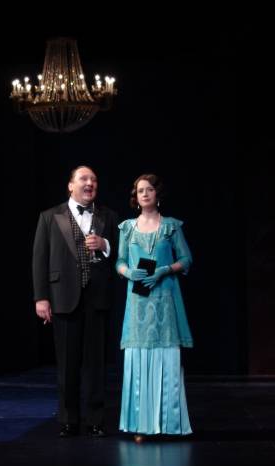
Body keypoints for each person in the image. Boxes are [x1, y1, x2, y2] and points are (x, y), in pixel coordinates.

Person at [32, 165, 119, 437]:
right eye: (83, 178)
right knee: (67, 364)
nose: (90, 183)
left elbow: (122, 254)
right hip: (63, 296)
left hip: (97, 297)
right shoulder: (50, 217)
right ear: (70, 185)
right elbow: (39, 259)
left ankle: (95, 419)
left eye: (94, 179)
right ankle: (68, 419)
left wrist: (105, 245)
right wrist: (41, 297)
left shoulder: (108, 216)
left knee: (96, 363)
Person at [115, 173, 193, 442]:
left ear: (157, 193)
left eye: (149, 189)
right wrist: (127, 272)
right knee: (138, 361)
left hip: (165, 301)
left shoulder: (171, 226)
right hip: (138, 304)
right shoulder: (127, 228)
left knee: (167, 359)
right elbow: (119, 261)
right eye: (140, 191)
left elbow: (186, 259)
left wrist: (164, 270)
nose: (145, 194)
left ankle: (169, 425)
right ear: (135, 197)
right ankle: (140, 425)